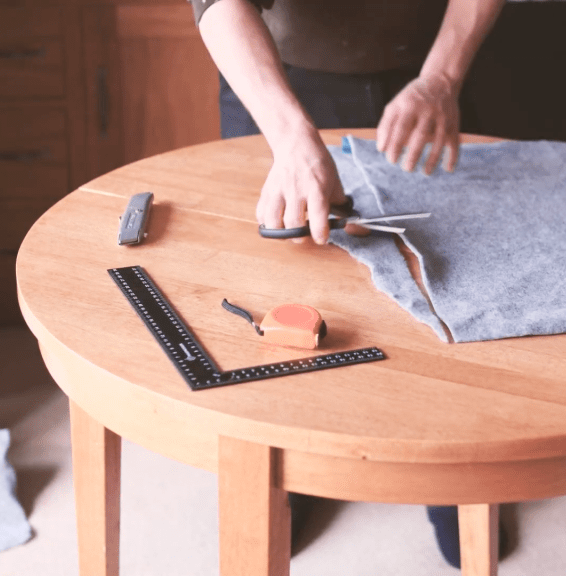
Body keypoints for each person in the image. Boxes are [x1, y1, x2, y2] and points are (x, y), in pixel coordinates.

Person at [186, 0, 508, 568]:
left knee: (446, 282)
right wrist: (289, 137)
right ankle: (295, 468)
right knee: (290, 290)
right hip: (275, 78)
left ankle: (450, 467)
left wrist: (440, 78)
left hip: (430, 65)